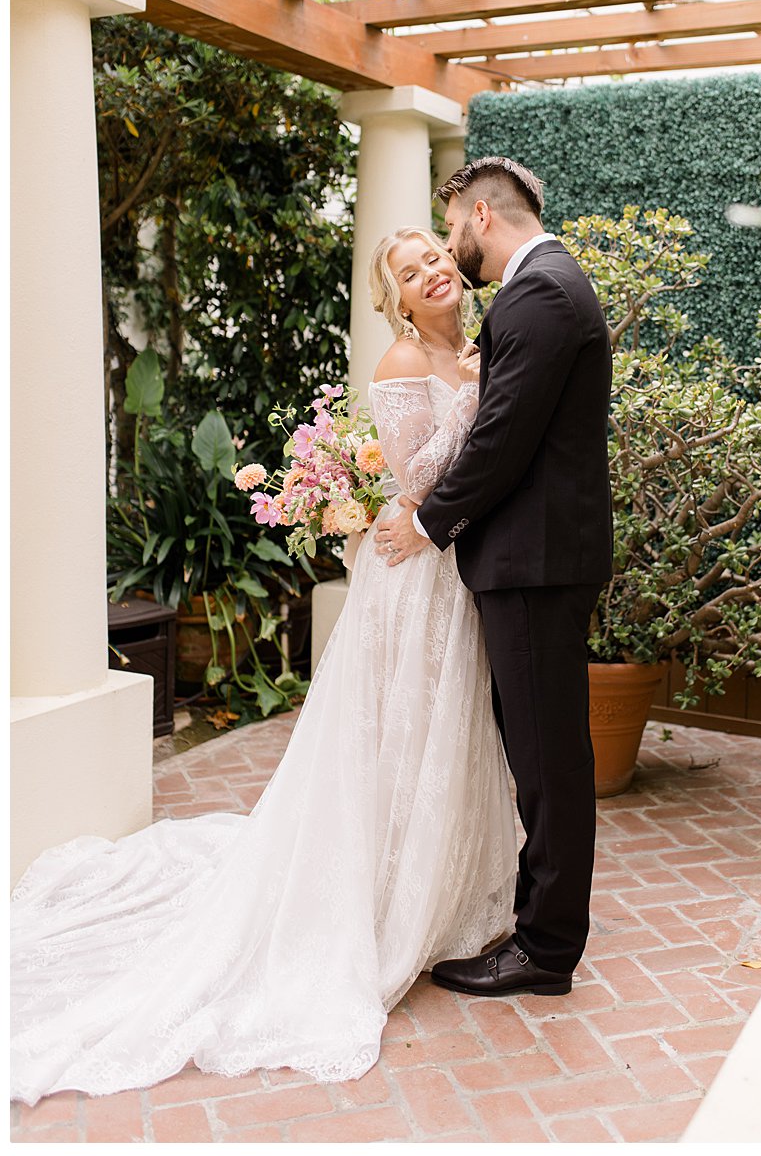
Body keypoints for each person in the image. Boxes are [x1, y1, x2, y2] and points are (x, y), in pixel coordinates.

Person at [12, 227, 518, 1103]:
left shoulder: (476, 345)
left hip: (457, 573)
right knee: (399, 732)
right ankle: (381, 900)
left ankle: (440, 891)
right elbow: (415, 476)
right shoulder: (405, 360)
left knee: (447, 727)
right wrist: (474, 395)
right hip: (412, 578)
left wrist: (478, 380)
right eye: (409, 272)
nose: (431, 272)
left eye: (435, 257)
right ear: (397, 299)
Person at [370, 155, 613, 998]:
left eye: (448, 232)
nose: (449, 252)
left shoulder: (537, 292)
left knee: (548, 763)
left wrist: (426, 522)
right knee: (541, 756)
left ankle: (545, 949)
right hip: (533, 558)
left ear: (480, 215)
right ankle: (537, 921)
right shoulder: (545, 284)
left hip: (536, 563)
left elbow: (503, 436)